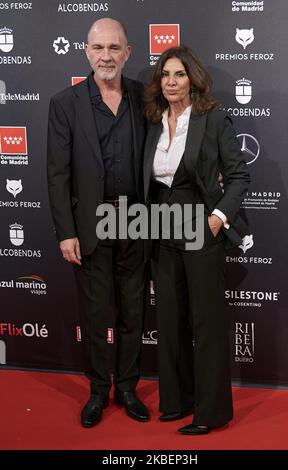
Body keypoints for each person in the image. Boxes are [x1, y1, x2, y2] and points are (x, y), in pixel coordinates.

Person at [47, 18, 149, 427]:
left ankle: (127, 388)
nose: (106, 55)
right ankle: (96, 392)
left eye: (114, 48)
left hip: (138, 222)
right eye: (98, 48)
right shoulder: (64, 103)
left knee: (133, 312)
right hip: (90, 226)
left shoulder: (146, 98)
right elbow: (57, 174)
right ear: (86, 51)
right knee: (94, 314)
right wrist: (66, 231)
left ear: (128, 53)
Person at [143, 46, 250, 435]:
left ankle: (211, 412)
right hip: (161, 230)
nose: (171, 82)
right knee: (170, 321)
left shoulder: (213, 119)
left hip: (201, 228)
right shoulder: (153, 122)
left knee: (206, 323)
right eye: (165, 75)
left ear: (194, 79)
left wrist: (217, 219)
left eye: (179, 75)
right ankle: (177, 401)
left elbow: (238, 177)